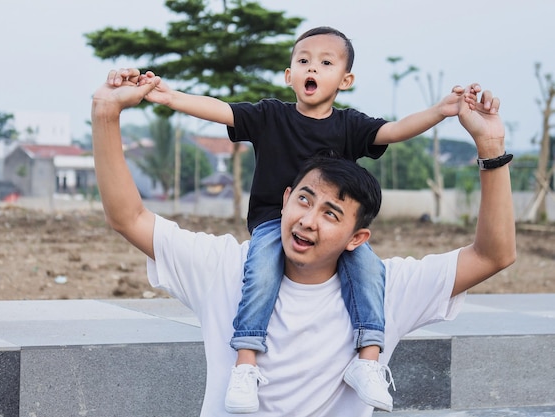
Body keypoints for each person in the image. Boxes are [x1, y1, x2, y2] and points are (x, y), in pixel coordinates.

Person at [92, 69, 516, 417]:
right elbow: (128, 217)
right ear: (285, 200)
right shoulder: (224, 268)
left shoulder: (386, 287)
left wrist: (491, 147)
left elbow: (493, 255)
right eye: (304, 200)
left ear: (357, 238)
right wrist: (105, 114)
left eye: (331, 214)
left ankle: (364, 365)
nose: (308, 221)